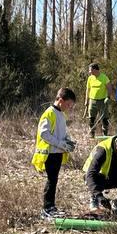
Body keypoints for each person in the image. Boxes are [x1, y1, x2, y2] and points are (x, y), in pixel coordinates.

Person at [32, 88, 76, 220]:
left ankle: (51, 207)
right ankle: (46, 208)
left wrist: (68, 141)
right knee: (51, 181)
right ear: (61, 100)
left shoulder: (61, 114)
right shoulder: (49, 113)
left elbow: (62, 132)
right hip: (50, 153)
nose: (68, 108)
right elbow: (44, 134)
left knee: (54, 180)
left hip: (58, 153)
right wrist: (61, 144)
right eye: (68, 105)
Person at [85, 62, 111, 136]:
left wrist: (108, 97)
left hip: (103, 101)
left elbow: (109, 88)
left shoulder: (104, 77)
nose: (89, 72)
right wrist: (86, 101)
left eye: (90, 70)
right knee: (91, 118)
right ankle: (92, 134)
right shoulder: (90, 78)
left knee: (104, 119)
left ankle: (105, 134)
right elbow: (88, 90)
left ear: (95, 70)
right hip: (92, 101)